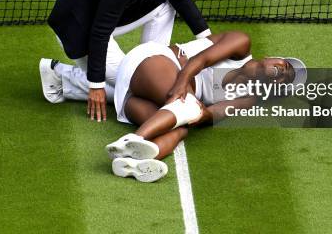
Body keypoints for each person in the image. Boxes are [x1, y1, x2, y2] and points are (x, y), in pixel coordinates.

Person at [40, 0, 211, 122]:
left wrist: (209, 42)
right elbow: (99, 31)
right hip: (78, 26)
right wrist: (96, 86)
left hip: (107, 14)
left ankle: (153, 60)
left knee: (166, 5)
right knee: (138, 84)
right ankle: (61, 77)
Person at [103, 31, 307, 182]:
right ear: (273, 57)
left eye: (286, 80)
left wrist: (202, 115)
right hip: (150, 61)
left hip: (132, 97)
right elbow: (201, 60)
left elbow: (214, 114)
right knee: (189, 107)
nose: (283, 72)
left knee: (181, 129)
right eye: (286, 65)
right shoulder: (241, 43)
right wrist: (183, 84)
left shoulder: (250, 98)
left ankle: (134, 164)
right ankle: (134, 139)